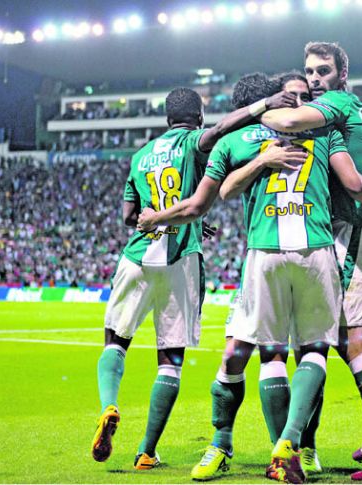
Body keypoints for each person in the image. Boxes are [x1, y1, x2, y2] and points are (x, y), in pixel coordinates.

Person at [137, 71, 362, 484]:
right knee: (302, 351)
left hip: (269, 255)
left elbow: (210, 200)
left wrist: (154, 218)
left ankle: (283, 448)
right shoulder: (318, 132)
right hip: (301, 252)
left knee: (260, 352)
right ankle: (253, 444)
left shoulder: (234, 141)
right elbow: (355, 181)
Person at [90, 84, 298, 470]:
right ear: (197, 117)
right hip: (181, 257)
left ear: (166, 118)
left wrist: (154, 214)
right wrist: (264, 105)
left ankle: (109, 405)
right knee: (169, 360)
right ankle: (146, 451)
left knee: (115, 340)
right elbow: (220, 132)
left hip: (137, 255)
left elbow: (127, 216)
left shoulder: (140, 156)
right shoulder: (192, 142)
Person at [260, 42, 362, 481]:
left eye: (323, 70)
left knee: (351, 341)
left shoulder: (337, 104)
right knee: (334, 343)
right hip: (341, 234)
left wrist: (261, 110)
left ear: (341, 75)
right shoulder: (337, 116)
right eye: (309, 70)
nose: (315, 77)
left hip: (355, 234)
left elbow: (289, 121)